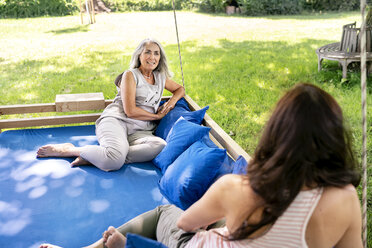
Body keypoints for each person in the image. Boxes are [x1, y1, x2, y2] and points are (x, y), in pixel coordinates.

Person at [40, 83, 362, 248]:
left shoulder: (238, 189)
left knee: (165, 214)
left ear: (274, 139)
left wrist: (222, 223)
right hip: (128, 130)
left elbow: (186, 224)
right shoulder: (346, 199)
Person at [36, 38, 185, 172]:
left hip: (140, 131)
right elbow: (130, 111)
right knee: (114, 162)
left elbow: (180, 89)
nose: (152, 57)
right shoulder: (130, 75)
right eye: (148, 52)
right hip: (116, 121)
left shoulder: (160, 77)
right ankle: (71, 150)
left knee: (160, 146)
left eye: (156, 53)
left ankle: (99, 157)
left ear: (160, 58)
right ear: (139, 55)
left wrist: (170, 103)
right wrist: (156, 116)